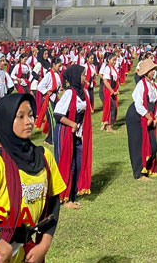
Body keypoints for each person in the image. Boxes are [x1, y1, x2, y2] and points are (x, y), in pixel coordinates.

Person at [0, 93, 66, 263]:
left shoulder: (45, 157)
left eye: (30, 115)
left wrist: (44, 245)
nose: (29, 121)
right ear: (7, 121)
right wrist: (1, 246)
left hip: (22, 250)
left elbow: (53, 203)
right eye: (20, 116)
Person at [53, 65, 92, 207]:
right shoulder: (69, 93)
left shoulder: (84, 93)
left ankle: (73, 194)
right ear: (76, 76)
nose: (85, 77)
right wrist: (72, 124)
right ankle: (65, 198)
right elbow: (57, 114)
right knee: (69, 164)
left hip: (76, 134)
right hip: (64, 132)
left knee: (79, 163)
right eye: (83, 75)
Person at [126, 58, 157, 181]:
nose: (153, 72)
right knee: (137, 144)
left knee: (153, 145)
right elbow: (138, 103)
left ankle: (147, 167)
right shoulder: (141, 84)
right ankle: (139, 173)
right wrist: (148, 116)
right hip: (137, 116)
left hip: (150, 116)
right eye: (151, 70)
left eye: (154, 70)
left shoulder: (155, 85)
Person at [99, 53, 120, 133]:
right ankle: (109, 126)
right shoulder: (107, 68)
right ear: (108, 60)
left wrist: (116, 90)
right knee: (112, 107)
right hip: (108, 91)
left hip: (112, 91)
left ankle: (105, 124)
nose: (114, 62)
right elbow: (105, 81)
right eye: (113, 60)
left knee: (111, 107)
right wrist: (112, 91)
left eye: (115, 60)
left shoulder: (113, 68)